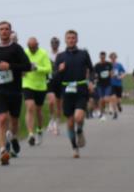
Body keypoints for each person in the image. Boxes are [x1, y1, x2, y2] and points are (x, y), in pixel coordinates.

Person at [0, 21, 32, 165]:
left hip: (15, 90)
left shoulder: (17, 48)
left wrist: (10, 66)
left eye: (7, 29)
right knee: (1, 118)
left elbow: (27, 66)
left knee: (14, 120)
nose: (4, 31)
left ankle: (13, 138)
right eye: (1, 29)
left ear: (10, 31)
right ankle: (3, 151)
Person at [52, 30, 93, 158]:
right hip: (67, 91)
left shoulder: (84, 54)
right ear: (65, 40)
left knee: (79, 117)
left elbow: (92, 70)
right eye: (69, 38)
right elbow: (55, 76)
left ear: (77, 40)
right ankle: (75, 147)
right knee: (70, 123)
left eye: (73, 38)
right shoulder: (60, 56)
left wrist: (91, 82)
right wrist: (60, 70)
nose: (71, 40)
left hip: (81, 89)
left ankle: (79, 130)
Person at [22, 36, 52, 146]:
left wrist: (37, 68)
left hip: (40, 86)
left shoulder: (43, 53)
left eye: (34, 47)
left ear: (37, 45)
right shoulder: (24, 53)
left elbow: (49, 69)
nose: (32, 49)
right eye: (30, 47)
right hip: (27, 84)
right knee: (30, 107)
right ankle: (30, 134)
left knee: (38, 110)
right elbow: (20, 66)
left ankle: (39, 130)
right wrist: (22, 70)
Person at [44, 36, 62, 135]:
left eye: (56, 43)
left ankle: (57, 123)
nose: (54, 45)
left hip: (60, 80)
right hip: (50, 80)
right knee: (51, 102)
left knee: (59, 104)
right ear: (51, 44)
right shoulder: (47, 54)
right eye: (53, 43)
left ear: (58, 44)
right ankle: (51, 119)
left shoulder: (62, 54)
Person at [92, 51, 114, 121]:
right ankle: (102, 113)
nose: (102, 58)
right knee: (101, 100)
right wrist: (96, 77)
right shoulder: (97, 65)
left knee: (106, 98)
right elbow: (94, 74)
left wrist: (111, 74)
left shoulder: (109, 64)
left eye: (103, 57)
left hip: (107, 84)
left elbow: (111, 73)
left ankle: (109, 106)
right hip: (100, 85)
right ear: (99, 57)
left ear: (105, 57)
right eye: (101, 57)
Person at [109, 52, 126, 119]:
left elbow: (124, 73)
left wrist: (121, 76)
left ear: (116, 58)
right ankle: (115, 113)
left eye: (114, 57)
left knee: (118, 99)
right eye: (112, 57)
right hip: (111, 84)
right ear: (110, 58)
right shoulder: (108, 65)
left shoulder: (119, 65)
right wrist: (110, 75)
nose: (113, 58)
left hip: (118, 84)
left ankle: (119, 105)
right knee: (113, 98)